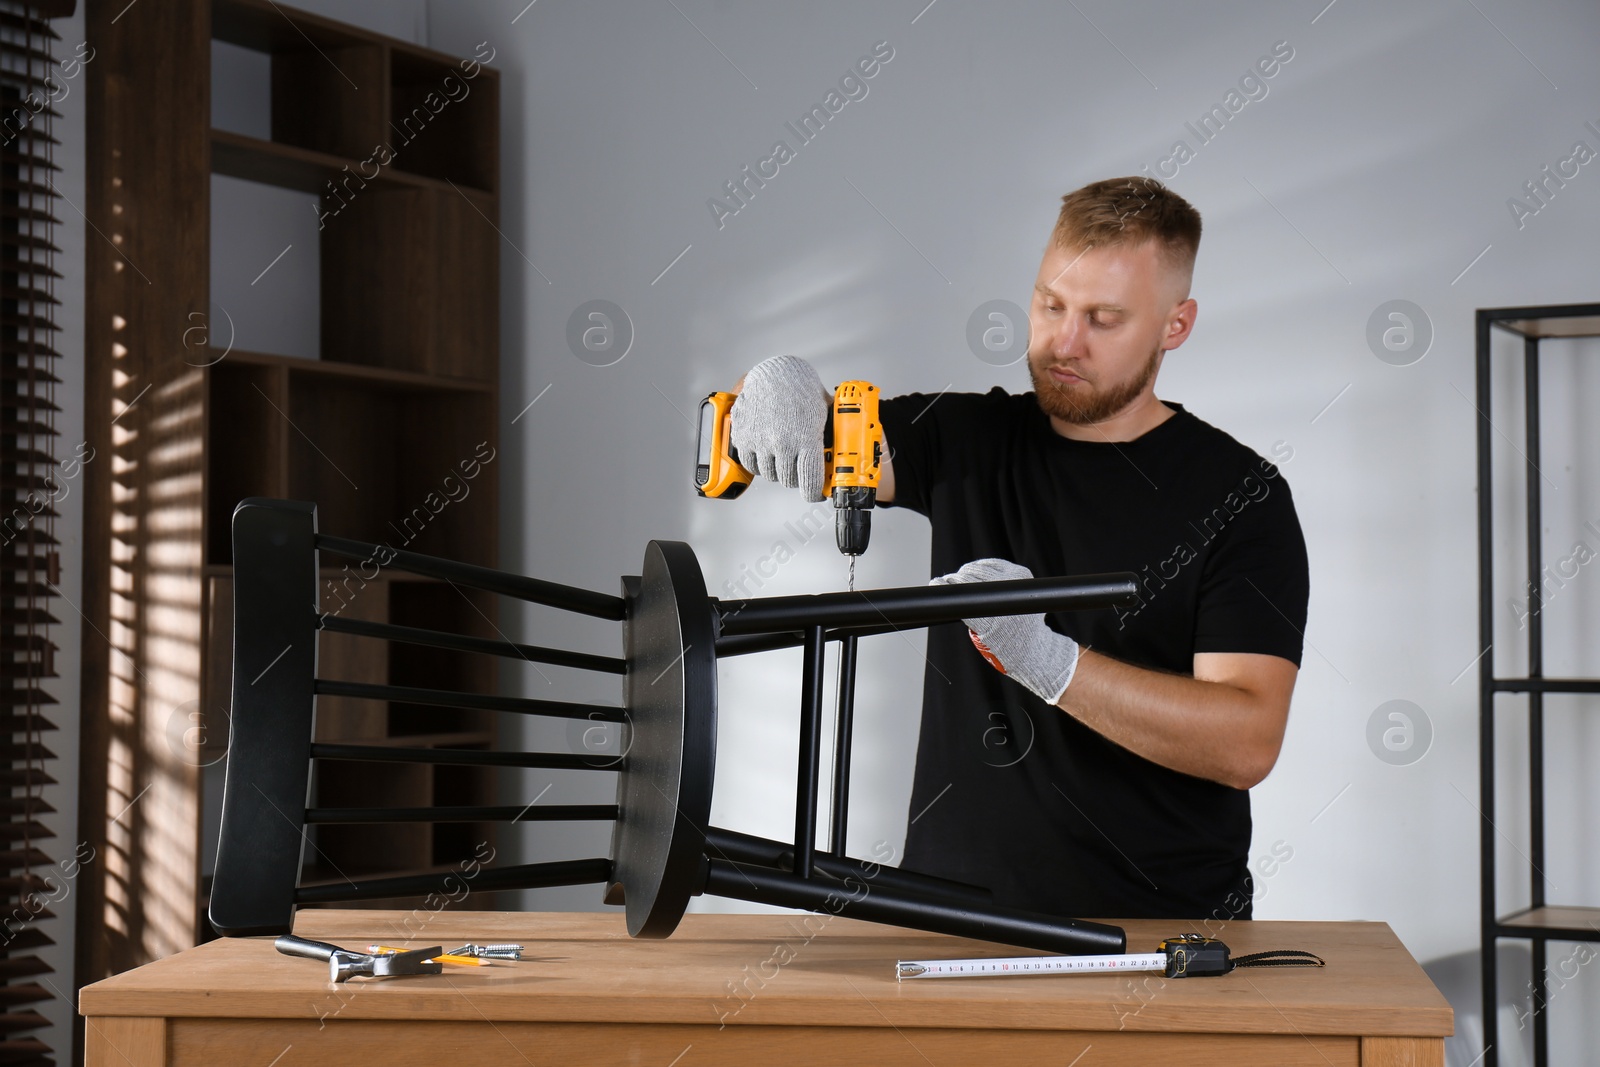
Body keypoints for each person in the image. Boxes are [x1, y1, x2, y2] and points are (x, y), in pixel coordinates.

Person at [728, 176, 1309, 921]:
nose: (1064, 343)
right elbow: (801, 436)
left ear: (1176, 324)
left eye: (1104, 318)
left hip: (1160, 938)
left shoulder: (1242, 496)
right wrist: (769, 386)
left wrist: (1047, 660)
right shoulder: (967, 440)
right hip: (948, 922)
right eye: (1050, 304)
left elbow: (1246, 741)